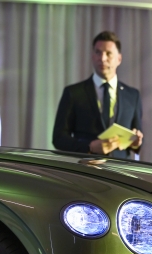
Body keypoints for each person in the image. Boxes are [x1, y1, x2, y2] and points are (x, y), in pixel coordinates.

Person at [52, 31, 143, 159]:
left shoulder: (133, 95)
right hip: (85, 171)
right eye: (98, 52)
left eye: (108, 54)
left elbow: (136, 137)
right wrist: (90, 147)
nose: (102, 58)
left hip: (121, 172)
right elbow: (58, 138)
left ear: (119, 59)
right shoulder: (73, 93)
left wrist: (136, 142)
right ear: (92, 56)